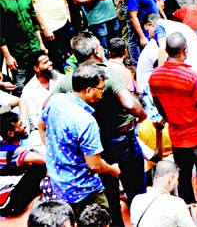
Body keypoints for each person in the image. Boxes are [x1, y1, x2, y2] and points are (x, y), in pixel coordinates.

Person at [52, 33, 146, 225]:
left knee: (109, 193)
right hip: (121, 140)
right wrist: (143, 117)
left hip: (93, 147)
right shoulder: (109, 74)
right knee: (135, 189)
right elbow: (130, 104)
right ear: (96, 51)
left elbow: (48, 106)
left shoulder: (68, 80)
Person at [148, 33, 197, 209]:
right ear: (185, 51)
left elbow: (158, 104)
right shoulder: (191, 77)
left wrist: (169, 118)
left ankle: (190, 216)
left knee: (184, 181)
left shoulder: (155, 76)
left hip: (178, 137)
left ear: (166, 51)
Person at [39, 64, 120, 214]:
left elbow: (41, 125)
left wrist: (53, 151)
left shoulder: (56, 100)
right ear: (89, 90)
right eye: (101, 89)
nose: (102, 93)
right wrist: (112, 170)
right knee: (102, 217)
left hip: (58, 183)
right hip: (83, 188)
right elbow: (95, 165)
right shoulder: (86, 121)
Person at [0, 0, 45, 91]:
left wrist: (41, 44)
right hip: (18, 53)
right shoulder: (1, 1)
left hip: (34, 48)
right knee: (21, 86)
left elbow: (33, 22)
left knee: (40, 82)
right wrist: (8, 56)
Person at [0, 111, 47, 218]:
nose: (25, 125)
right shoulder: (12, 151)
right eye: (20, 125)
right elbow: (46, 160)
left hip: (7, 192)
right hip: (6, 202)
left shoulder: (6, 146)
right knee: (40, 167)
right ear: (10, 134)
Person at [129, 160, 197, 227]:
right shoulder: (177, 203)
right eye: (177, 179)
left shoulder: (136, 200)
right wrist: (194, 216)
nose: (177, 183)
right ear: (171, 179)